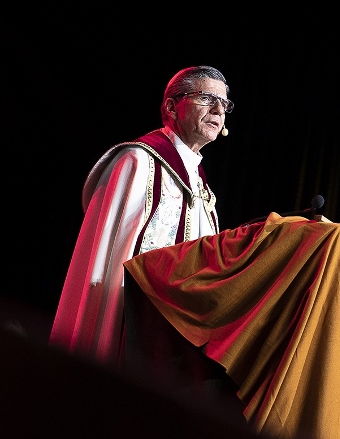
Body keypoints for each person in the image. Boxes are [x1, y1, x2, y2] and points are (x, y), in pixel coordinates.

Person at [49, 65, 233, 366]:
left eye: (224, 104)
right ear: (172, 107)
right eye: (206, 98)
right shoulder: (137, 163)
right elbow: (107, 260)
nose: (218, 109)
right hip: (128, 322)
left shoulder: (202, 190)